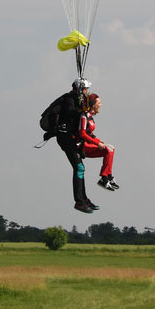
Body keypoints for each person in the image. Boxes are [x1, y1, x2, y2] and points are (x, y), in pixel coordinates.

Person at [46, 78, 99, 213]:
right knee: (79, 167)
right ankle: (79, 202)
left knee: (81, 168)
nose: (87, 92)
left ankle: (84, 199)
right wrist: (82, 109)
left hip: (71, 139)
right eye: (86, 89)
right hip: (65, 138)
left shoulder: (77, 100)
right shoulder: (70, 100)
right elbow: (70, 112)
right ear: (81, 89)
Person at [78, 93, 118, 191]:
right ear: (93, 105)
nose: (101, 105)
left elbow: (90, 134)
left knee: (111, 149)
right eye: (99, 103)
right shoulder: (84, 116)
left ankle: (108, 176)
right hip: (83, 146)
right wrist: (97, 144)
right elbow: (82, 134)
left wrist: (99, 141)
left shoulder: (90, 117)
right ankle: (104, 178)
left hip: (88, 144)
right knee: (108, 150)